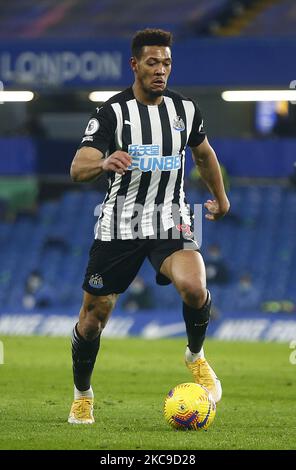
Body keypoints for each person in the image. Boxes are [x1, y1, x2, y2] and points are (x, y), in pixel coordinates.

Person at [68, 28, 230, 424]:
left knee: (195, 287)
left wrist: (222, 199)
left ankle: (195, 355)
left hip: (171, 217)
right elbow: (77, 167)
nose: (161, 70)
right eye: (153, 62)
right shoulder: (111, 113)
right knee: (92, 320)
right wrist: (103, 162)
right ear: (135, 65)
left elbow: (204, 155)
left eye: (167, 63)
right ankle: (83, 394)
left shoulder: (185, 110)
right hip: (120, 223)